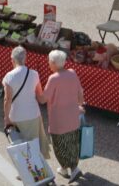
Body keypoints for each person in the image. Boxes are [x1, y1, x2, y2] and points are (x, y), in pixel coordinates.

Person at [37, 50, 85, 182]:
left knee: (59, 145)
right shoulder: (72, 73)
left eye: (49, 61)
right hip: (73, 115)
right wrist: (80, 105)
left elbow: (43, 99)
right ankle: (70, 168)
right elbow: (80, 92)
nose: (48, 63)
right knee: (72, 142)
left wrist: (36, 88)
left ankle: (70, 168)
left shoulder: (53, 78)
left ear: (53, 63)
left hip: (59, 119)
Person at [2, 46, 49, 158]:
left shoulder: (9, 77)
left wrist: (6, 117)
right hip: (33, 114)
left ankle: (25, 171)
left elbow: (7, 99)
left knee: (20, 147)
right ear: (25, 59)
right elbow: (40, 96)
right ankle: (38, 170)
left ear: (12, 60)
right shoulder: (34, 74)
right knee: (34, 147)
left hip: (16, 116)